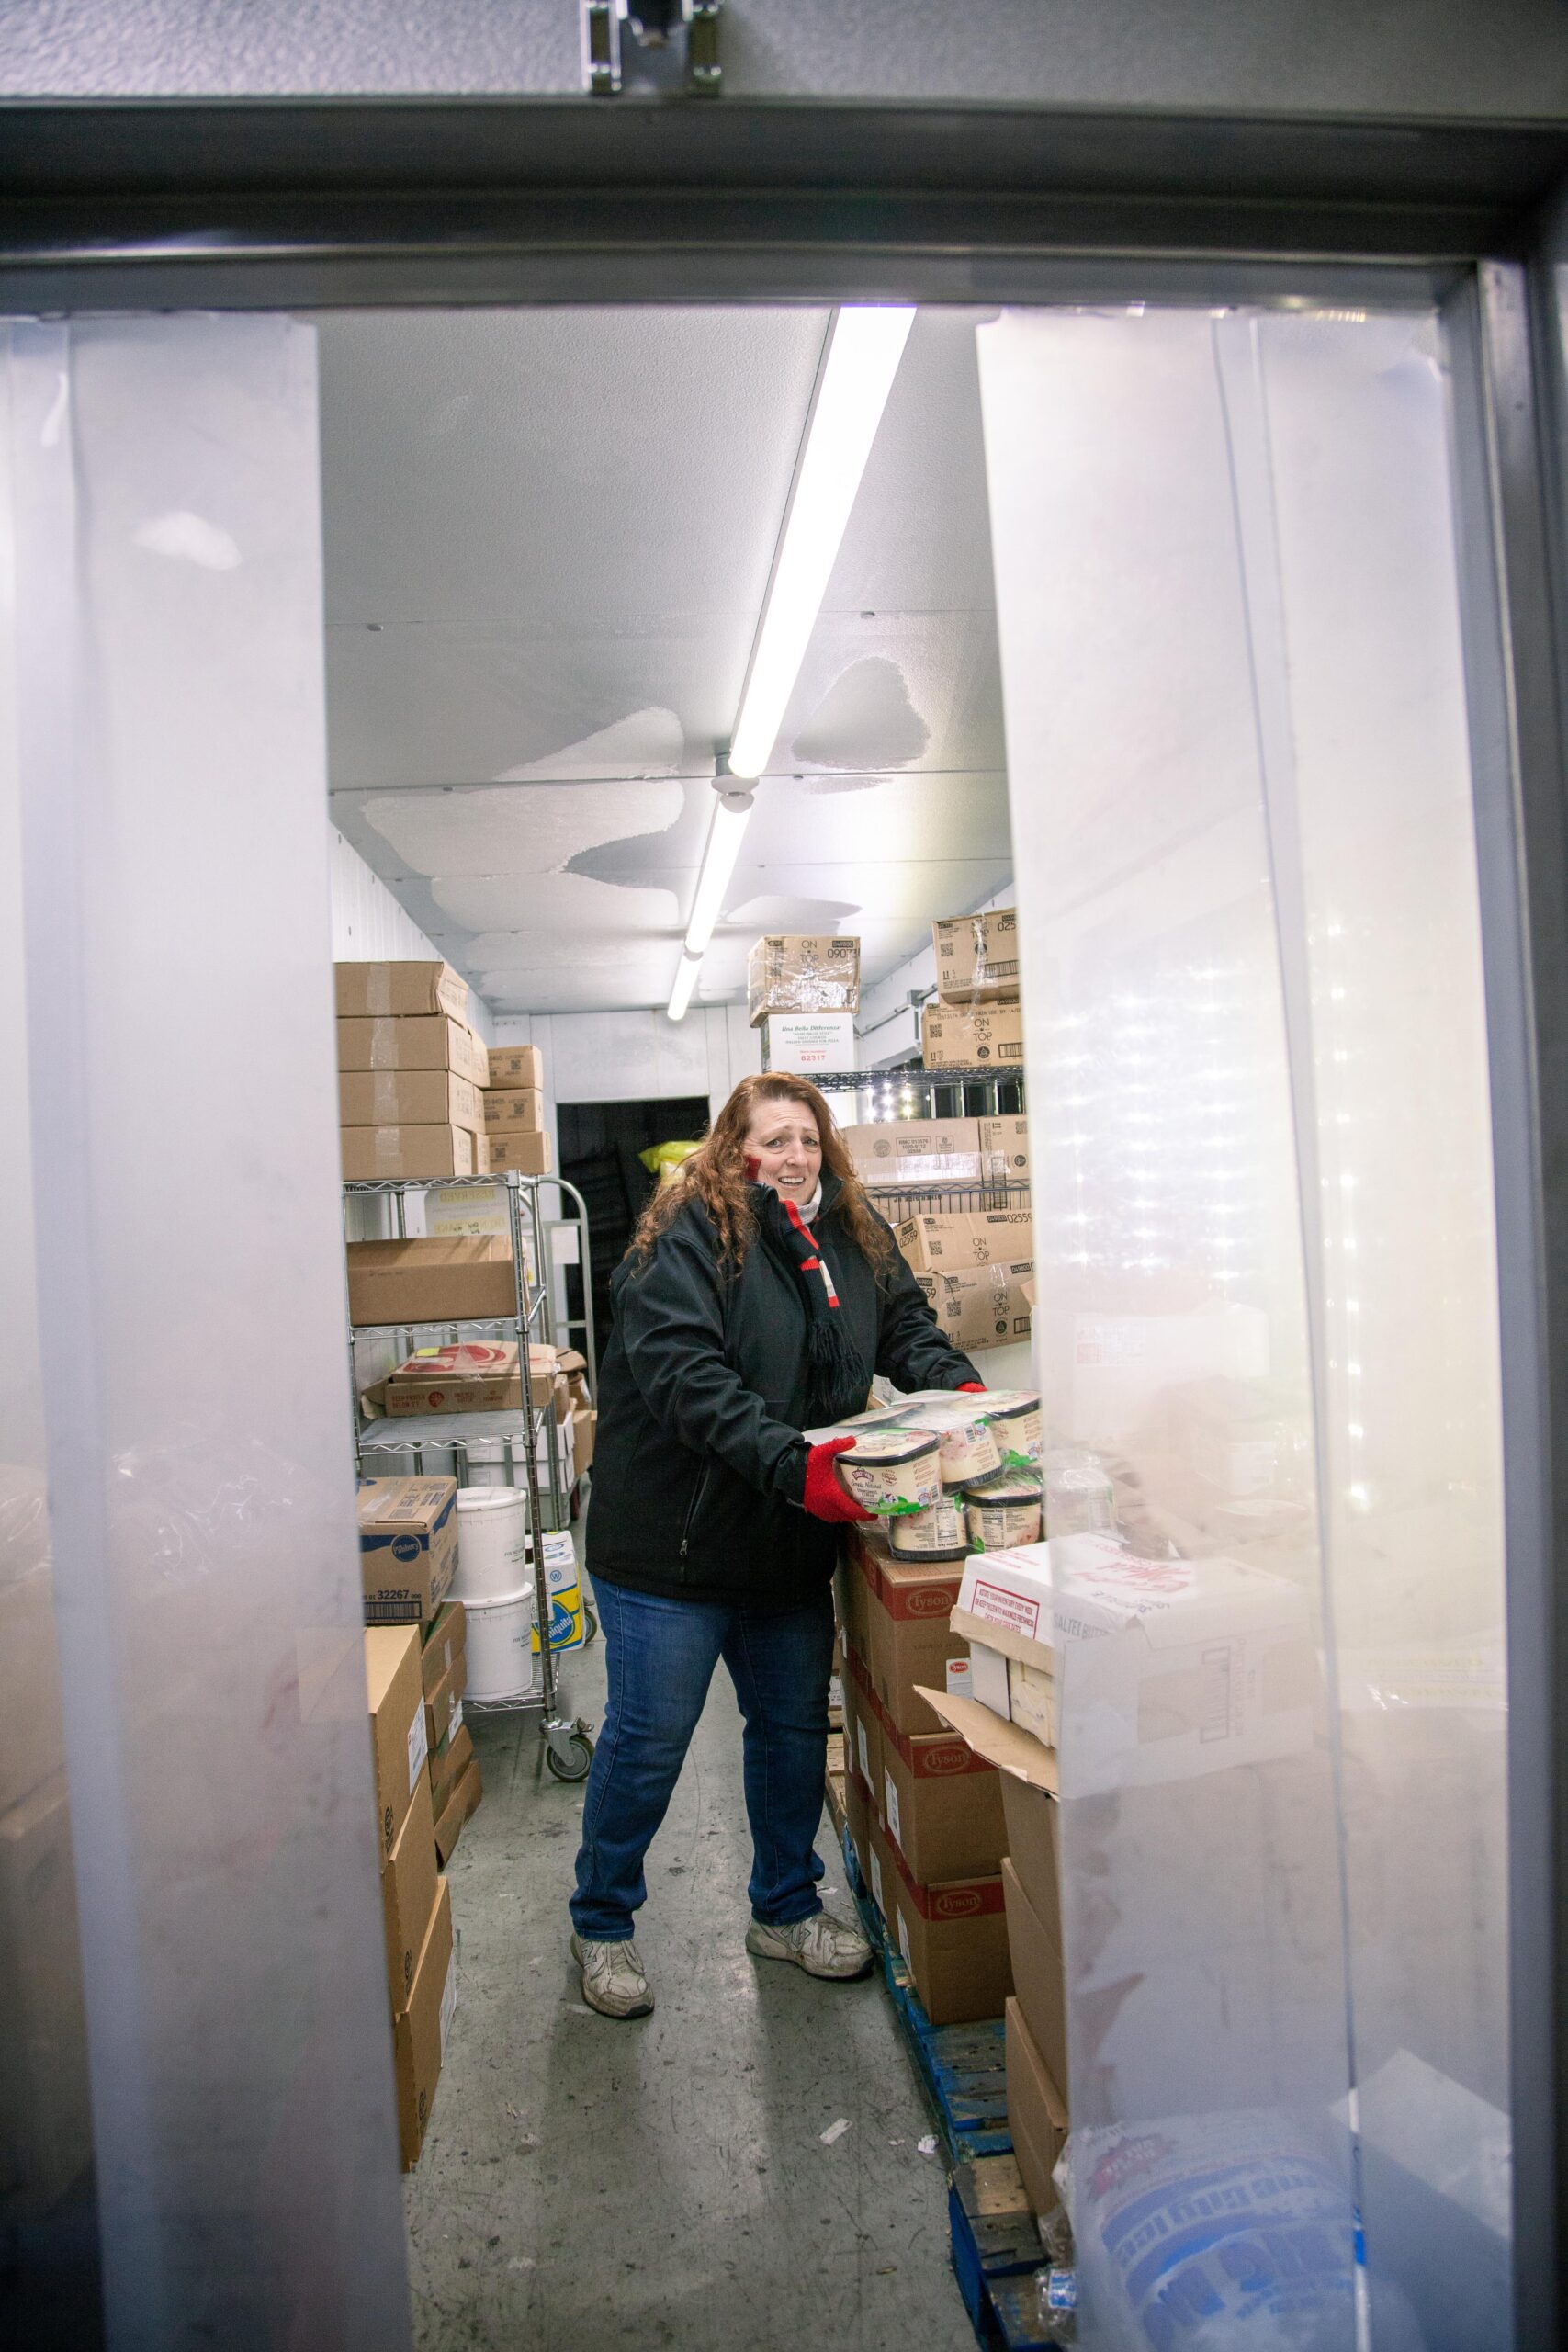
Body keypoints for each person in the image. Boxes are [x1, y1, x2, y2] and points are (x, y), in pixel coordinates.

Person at [569, 1071, 986, 2018]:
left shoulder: (850, 1232)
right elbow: (689, 1380)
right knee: (648, 1743)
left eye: (809, 1138)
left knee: (793, 1735)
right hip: (671, 1553)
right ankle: (602, 1922)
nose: (794, 1156)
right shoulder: (687, 1237)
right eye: (774, 1139)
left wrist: (961, 1398)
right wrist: (799, 1466)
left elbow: (908, 1330)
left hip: (784, 1543)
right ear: (734, 1147)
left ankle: (786, 1908)